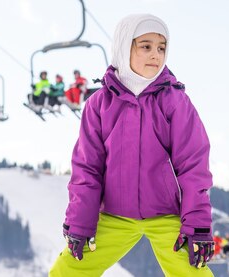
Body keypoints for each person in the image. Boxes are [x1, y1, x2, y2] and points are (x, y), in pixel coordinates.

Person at [49, 14, 215, 276]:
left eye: (161, 48)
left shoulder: (175, 101)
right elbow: (87, 168)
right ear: (124, 46)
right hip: (114, 215)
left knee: (194, 272)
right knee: (67, 270)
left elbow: (193, 166)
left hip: (165, 215)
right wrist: (79, 223)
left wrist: (198, 225)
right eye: (146, 46)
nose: (155, 55)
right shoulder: (100, 104)